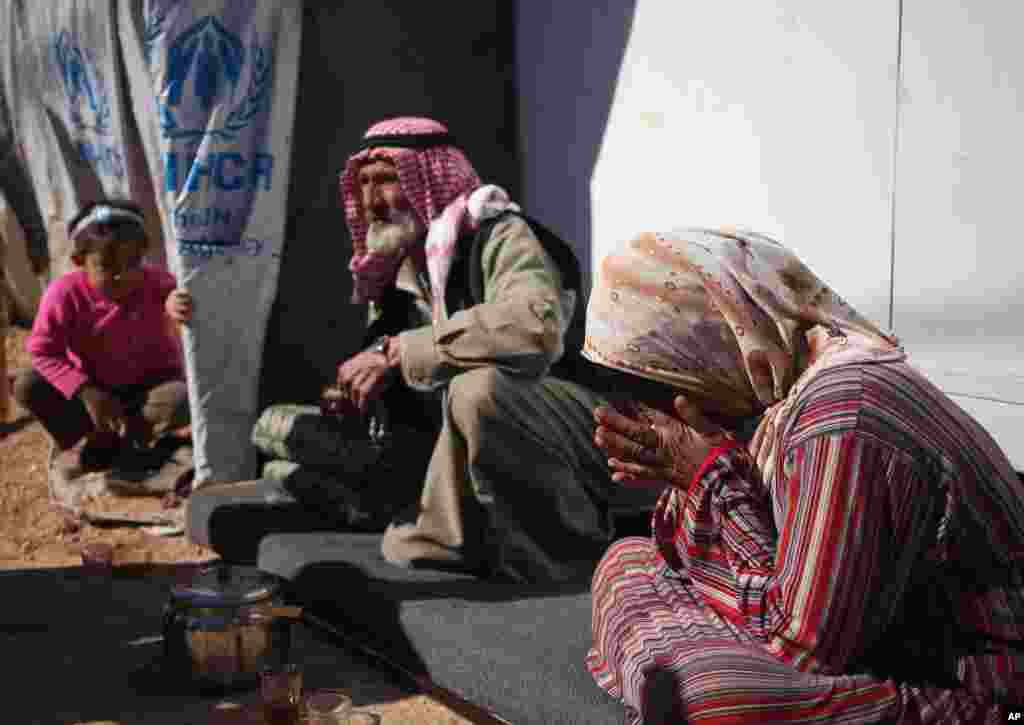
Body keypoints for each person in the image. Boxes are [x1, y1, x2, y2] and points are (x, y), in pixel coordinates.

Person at [585, 227, 1023, 723]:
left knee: (709, 697)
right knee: (627, 560)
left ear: (706, 349)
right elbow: (694, 565)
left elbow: (806, 646)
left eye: (660, 385)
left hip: (963, 685)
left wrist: (711, 478)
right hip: (857, 636)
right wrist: (691, 483)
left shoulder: (842, 415)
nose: (659, 410)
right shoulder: (776, 390)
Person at [334, 116, 657, 582]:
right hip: (493, 446)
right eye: (362, 184)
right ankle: (463, 534)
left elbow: (533, 328)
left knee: (480, 390)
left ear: (427, 177)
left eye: (386, 180)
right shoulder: (399, 275)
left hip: (598, 432)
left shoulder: (498, 235)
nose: (371, 202)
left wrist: (399, 352)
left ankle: (571, 558)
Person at [14, 200, 193, 477]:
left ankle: (130, 440)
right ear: (79, 263)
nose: (123, 275)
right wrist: (85, 392)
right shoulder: (64, 294)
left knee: (180, 398)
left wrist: (173, 302)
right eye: (107, 265)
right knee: (28, 385)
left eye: (133, 262)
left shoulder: (154, 281)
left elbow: (171, 292)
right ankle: (96, 438)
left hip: (147, 391)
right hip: (92, 391)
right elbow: (43, 352)